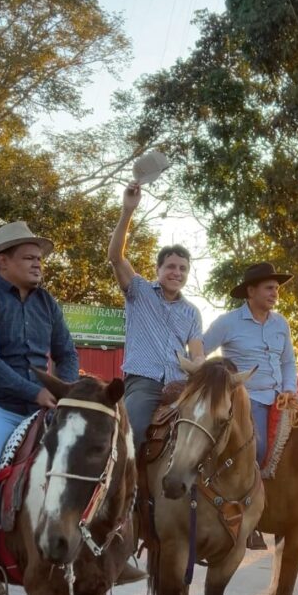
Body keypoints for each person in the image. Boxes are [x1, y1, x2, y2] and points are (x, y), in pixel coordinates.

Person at [0, 221, 79, 595]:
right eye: (28, 257)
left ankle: (97, 550)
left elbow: (67, 353)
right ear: (3, 261)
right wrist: (35, 391)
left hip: (41, 405)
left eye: (39, 258)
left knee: (87, 461)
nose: (38, 264)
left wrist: (64, 390)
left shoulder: (49, 304)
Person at [202, 261, 298, 550]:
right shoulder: (227, 322)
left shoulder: (281, 323)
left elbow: (288, 362)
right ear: (251, 291)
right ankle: (245, 515)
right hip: (246, 398)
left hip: (282, 396)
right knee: (254, 447)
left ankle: (293, 507)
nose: (275, 293)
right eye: (269, 288)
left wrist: (290, 389)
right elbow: (200, 352)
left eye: (277, 289)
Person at [108, 182, 204, 451]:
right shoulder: (139, 291)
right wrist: (128, 210)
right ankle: (125, 490)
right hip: (143, 381)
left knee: (207, 436)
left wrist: (198, 364)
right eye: (171, 266)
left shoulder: (192, 312)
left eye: (183, 268)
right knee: (132, 435)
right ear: (158, 269)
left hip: (180, 384)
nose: (177, 272)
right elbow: (115, 257)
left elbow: (197, 352)